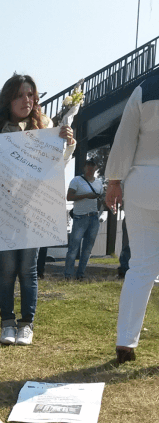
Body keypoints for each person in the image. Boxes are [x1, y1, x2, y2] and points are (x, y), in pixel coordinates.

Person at [0, 74, 75, 346]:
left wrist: (68, 143)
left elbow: (56, 166)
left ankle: (26, 324)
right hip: (4, 209)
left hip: (34, 208)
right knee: (7, 268)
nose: (27, 100)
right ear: (8, 99)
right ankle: (7, 323)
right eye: (20, 95)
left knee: (28, 269)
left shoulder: (45, 127)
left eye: (30, 94)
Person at [105, 72, 159, 365]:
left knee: (140, 267)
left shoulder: (144, 88)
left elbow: (124, 138)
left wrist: (114, 180)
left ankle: (125, 343)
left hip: (142, 182)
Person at [64, 159, 103, 280]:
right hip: (80, 217)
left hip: (94, 217)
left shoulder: (99, 182)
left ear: (96, 168)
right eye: (88, 166)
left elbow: (100, 198)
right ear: (84, 168)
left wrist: (101, 212)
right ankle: (68, 275)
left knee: (87, 249)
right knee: (73, 248)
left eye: (93, 166)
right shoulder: (76, 180)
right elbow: (69, 197)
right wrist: (86, 195)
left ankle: (80, 274)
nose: (90, 169)